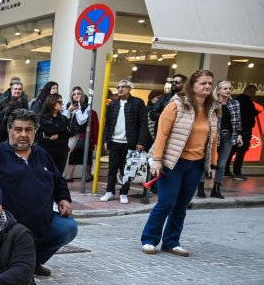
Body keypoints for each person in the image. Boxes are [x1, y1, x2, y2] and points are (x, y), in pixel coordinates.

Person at [0, 109, 77, 277]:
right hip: (6, 226)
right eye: (18, 129)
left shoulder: (41, 154)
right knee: (5, 267)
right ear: (9, 130)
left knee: (68, 227)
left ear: (35, 132)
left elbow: (58, 179)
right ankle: (14, 264)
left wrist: (64, 198)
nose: (23, 134)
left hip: (42, 223)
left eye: (28, 130)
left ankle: (34, 261)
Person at [141, 70, 218, 256]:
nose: (207, 86)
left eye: (210, 83)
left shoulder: (213, 108)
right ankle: (149, 239)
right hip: (173, 162)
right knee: (166, 202)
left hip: (196, 164)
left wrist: (212, 166)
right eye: (203, 83)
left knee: (181, 205)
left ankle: (171, 241)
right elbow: (162, 134)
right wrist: (157, 160)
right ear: (192, 86)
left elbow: (213, 140)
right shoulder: (176, 105)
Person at [100, 80, 149, 204]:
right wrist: (106, 139)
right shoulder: (113, 104)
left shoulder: (138, 103)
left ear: (130, 88)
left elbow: (143, 124)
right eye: (118, 87)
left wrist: (141, 142)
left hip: (130, 142)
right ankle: (109, 191)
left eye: (123, 87)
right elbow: (108, 124)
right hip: (114, 141)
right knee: (112, 169)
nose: (120, 89)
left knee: (127, 169)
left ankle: (124, 192)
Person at [207, 81, 242, 199]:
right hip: (213, 135)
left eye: (230, 89)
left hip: (228, 135)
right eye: (225, 88)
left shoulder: (235, 103)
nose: (228, 91)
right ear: (218, 91)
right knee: (206, 160)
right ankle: (200, 186)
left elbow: (238, 120)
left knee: (222, 163)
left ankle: (216, 188)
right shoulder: (212, 103)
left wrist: (239, 135)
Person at [63, 86, 97, 182]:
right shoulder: (68, 105)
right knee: (67, 154)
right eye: (74, 94)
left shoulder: (86, 107)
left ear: (82, 95)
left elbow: (81, 121)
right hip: (67, 134)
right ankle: (67, 175)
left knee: (82, 155)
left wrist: (77, 109)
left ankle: (87, 175)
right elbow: (64, 119)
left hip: (79, 134)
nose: (76, 96)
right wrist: (69, 110)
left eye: (78, 94)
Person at [227, 85, 261, 181]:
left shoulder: (237, 100)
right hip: (244, 129)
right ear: (245, 90)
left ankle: (226, 170)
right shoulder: (246, 101)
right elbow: (247, 114)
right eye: (250, 90)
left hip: (237, 129)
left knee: (232, 150)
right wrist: (254, 112)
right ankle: (237, 172)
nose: (252, 93)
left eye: (254, 91)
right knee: (241, 151)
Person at [36, 93, 72, 172]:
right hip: (47, 150)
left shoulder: (63, 118)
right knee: (46, 175)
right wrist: (61, 131)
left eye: (62, 102)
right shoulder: (41, 118)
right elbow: (49, 129)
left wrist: (59, 135)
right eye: (59, 102)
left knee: (58, 175)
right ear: (52, 103)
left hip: (62, 151)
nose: (62, 104)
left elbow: (72, 132)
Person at [0, 81, 26, 148]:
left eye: (19, 89)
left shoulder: (25, 103)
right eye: (15, 89)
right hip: (2, 136)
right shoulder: (4, 101)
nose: (17, 91)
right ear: (11, 90)